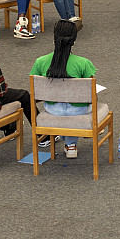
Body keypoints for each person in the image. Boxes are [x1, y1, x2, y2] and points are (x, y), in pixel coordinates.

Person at [30, 20, 97, 159]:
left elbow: (35, 92)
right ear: (74, 40)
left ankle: (69, 140)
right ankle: (71, 144)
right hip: (78, 111)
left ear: (54, 37)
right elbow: (90, 94)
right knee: (91, 104)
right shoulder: (83, 63)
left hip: (52, 110)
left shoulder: (40, 61)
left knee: (63, 106)